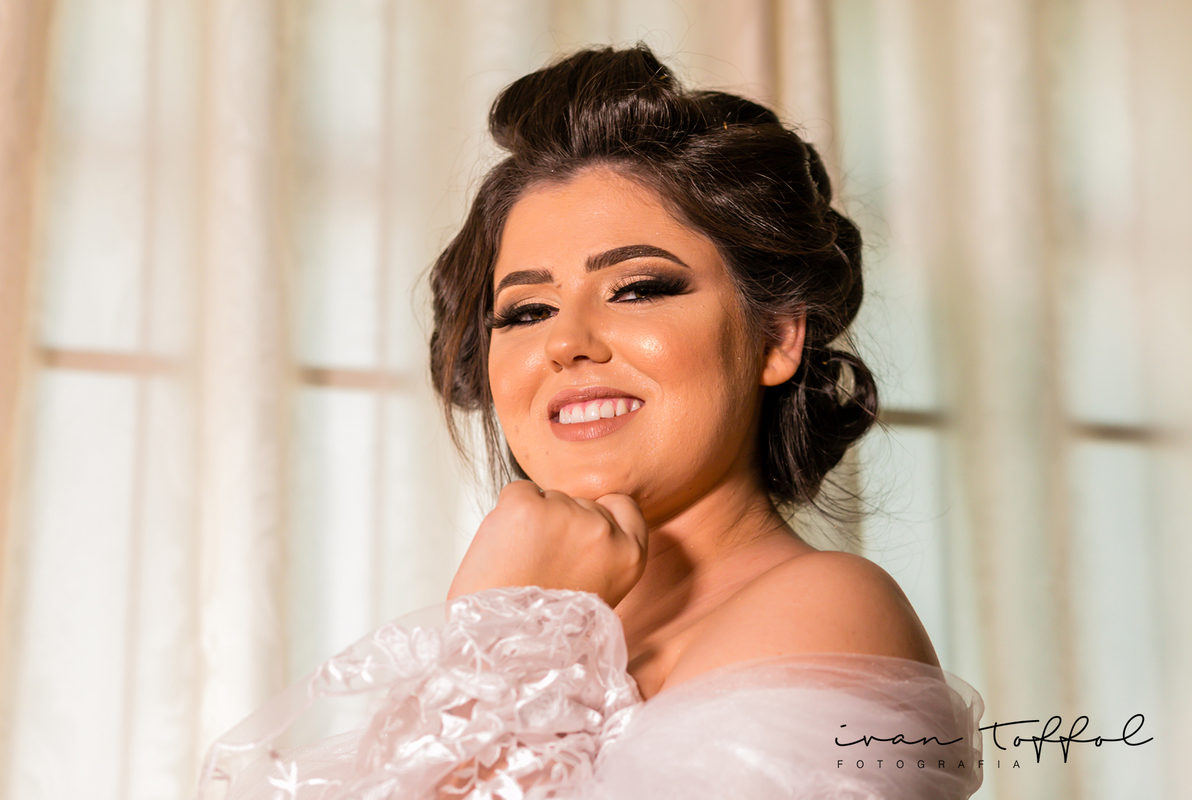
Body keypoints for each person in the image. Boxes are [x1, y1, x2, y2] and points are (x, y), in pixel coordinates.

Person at [199, 44, 983, 800]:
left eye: (637, 289)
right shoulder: (552, 616)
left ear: (777, 337)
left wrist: (504, 625)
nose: (565, 342)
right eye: (527, 310)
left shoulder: (828, 612)